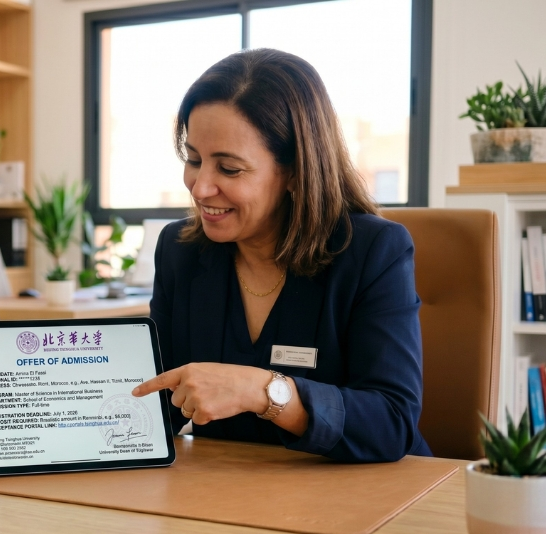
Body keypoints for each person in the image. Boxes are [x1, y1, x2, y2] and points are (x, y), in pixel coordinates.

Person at [132, 49, 432, 462]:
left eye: (229, 169)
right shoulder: (179, 250)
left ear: (294, 171)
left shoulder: (373, 252)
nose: (200, 188)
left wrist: (263, 392)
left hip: (361, 497)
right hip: (224, 495)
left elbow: (392, 422)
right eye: (194, 160)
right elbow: (153, 401)